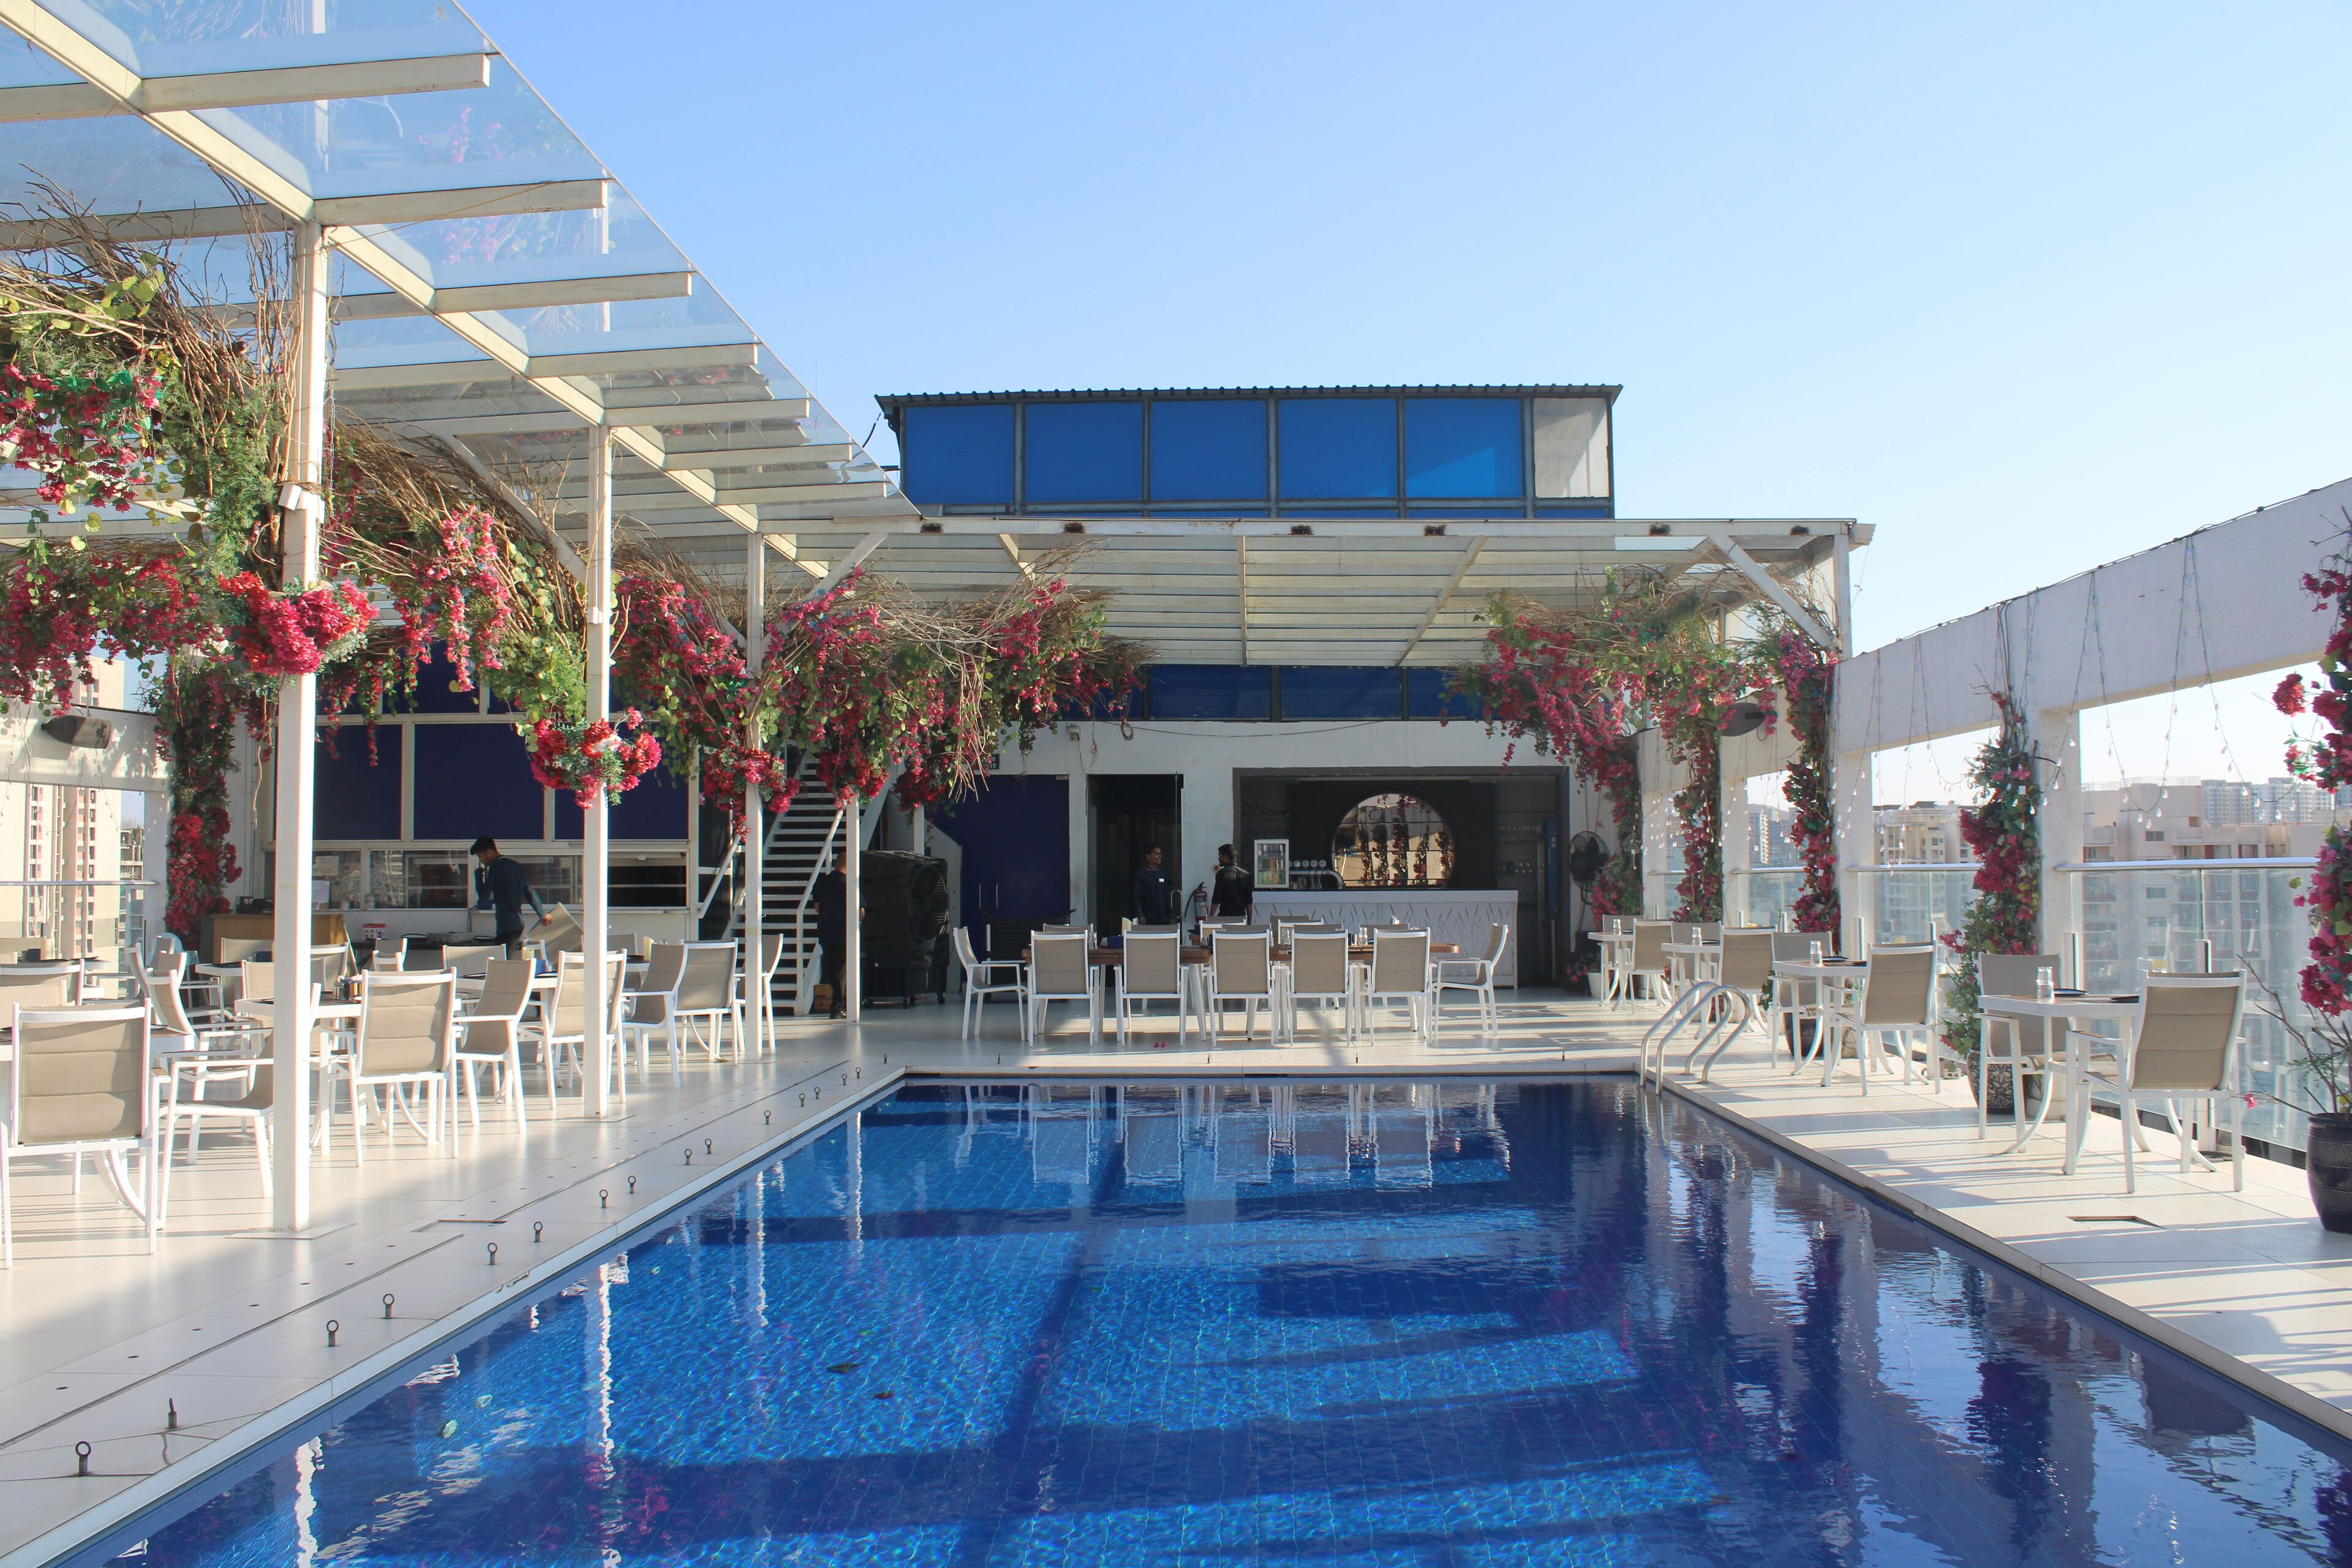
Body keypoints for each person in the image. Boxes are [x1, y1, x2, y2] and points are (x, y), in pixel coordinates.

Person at [470, 837, 546, 957]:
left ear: (489, 852)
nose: (481, 861)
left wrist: (478, 876)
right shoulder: (514, 865)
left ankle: (506, 976)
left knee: (499, 961)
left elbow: (485, 896)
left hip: (506, 925)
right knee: (502, 959)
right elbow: (528, 891)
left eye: (481, 856)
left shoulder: (496, 867)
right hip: (518, 924)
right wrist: (542, 913)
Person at [813, 859, 860, 1019]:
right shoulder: (850, 884)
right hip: (844, 933)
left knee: (832, 969)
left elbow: (817, 906)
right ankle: (838, 1006)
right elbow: (860, 911)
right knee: (842, 971)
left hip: (826, 931)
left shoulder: (822, 882)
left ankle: (838, 1005)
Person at [1211, 843, 1254, 921]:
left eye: (1220, 856)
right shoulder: (1246, 875)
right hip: (1241, 918)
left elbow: (1216, 899)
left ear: (1226, 857)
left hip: (1225, 918)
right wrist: (1249, 923)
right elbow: (1249, 902)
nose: (1219, 858)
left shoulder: (1222, 873)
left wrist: (1210, 919)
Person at [1132, 845, 1173, 925]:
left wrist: (1171, 916)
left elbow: (1166, 895)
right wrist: (1140, 914)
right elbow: (1136, 896)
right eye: (1157, 854)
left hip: (1163, 918)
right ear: (1148, 857)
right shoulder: (1141, 874)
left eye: (1160, 854)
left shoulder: (1162, 873)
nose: (1160, 856)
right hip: (1148, 918)